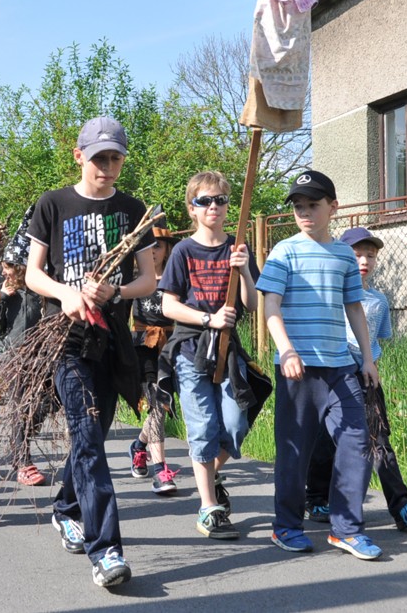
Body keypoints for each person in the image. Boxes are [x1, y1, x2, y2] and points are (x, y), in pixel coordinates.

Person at [25, 116, 156, 588]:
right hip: (66, 339)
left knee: (92, 438)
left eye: (115, 157)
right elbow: (32, 274)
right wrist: (65, 293)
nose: (107, 165)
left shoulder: (132, 209)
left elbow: (148, 280)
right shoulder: (53, 204)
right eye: (99, 157)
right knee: (85, 433)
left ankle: (65, 507)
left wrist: (115, 293)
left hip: (112, 339)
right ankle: (106, 551)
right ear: (80, 156)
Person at [256, 170, 382, 560]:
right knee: (295, 450)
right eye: (298, 206)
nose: (305, 212)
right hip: (299, 369)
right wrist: (287, 350)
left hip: (341, 365)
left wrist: (367, 357)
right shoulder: (284, 251)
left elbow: (354, 308)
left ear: (333, 207)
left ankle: (345, 529)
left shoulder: (344, 254)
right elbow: (270, 306)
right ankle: (286, 526)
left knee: (357, 441)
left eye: (313, 204)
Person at [303, 227, 407, 531]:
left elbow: (378, 337)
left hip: (365, 376)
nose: (363, 260)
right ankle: (317, 498)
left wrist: (371, 364)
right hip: (333, 374)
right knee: (325, 440)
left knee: (379, 439)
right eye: (357, 254)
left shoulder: (379, 301)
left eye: (370, 255)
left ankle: (402, 507)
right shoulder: (329, 294)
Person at [159, 172, 260, 540]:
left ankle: (209, 471)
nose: (214, 206)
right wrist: (209, 318)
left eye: (220, 200)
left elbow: (250, 303)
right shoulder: (184, 251)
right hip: (190, 350)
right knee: (202, 427)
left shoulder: (237, 247)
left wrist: (244, 269)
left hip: (228, 351)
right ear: (192, 209)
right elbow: (168, 305)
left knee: (234, 425)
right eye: (205, 201)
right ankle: (208, 509)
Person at [0, 232, 47, 486]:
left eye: (8, 269)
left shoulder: (41, 292)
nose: (4, 274)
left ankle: (21, 438)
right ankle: (23, 462)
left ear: (21, 268)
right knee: (20, 408)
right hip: (12, 360)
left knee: (45, 404)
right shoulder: (7, 296)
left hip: (42, 358)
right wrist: (0, 298)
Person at [129, 226, 180, 496]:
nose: (153, 251)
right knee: (158, 404)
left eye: (158, 245)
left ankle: (139, 446)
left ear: (167, 248)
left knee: (163, 403)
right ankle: (161, 470)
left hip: (171, 345)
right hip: (143, 345)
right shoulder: (136, 278)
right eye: (148, 246)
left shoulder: (177, 276)